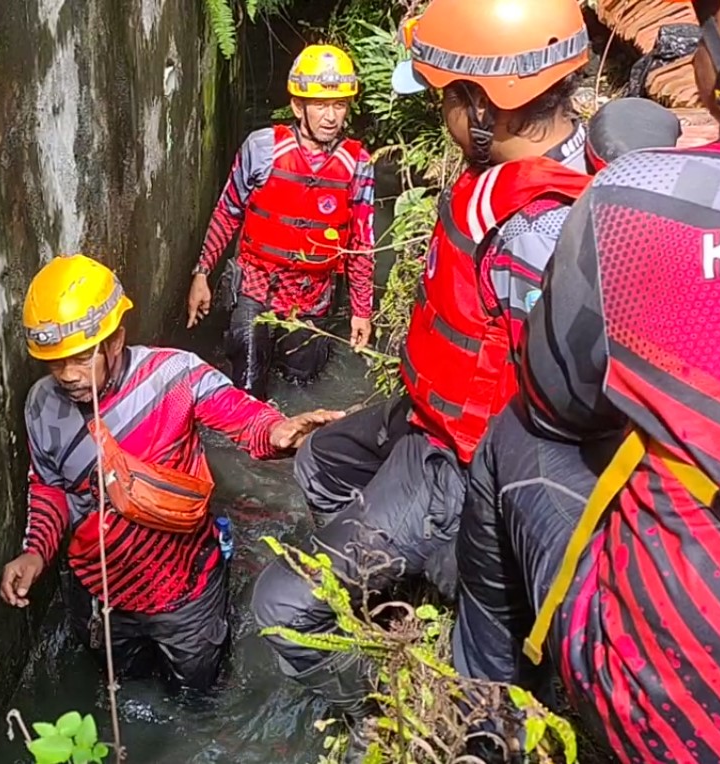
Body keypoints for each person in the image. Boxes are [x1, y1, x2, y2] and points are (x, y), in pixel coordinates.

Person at [453, 0, 720, 759]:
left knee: (513, 436)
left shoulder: (645, 201)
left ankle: (484, 723)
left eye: (710, 18)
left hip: (712, 719)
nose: (694, 45)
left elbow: (554, 402)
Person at [249, 0, 595, 756]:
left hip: (460, 463)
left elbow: (562, 405)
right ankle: (397, 580)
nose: (440, 110)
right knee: (319, 458)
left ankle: (371, 691)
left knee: (276, 604)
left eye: (444, 95)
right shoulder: (518, 173)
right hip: (425, 415)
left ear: (481, 104)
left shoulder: (536, 233)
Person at [0, 254, 341, 691]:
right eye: (55, 362)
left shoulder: (175, 377)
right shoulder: (41, 406)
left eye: (81, 358)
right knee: (123, 686)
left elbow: (243, 418)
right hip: (101, 598)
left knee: (198, 695)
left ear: (116, 340)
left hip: (184, 594)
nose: (67, 375)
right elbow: (50, 487)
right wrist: (35, 551)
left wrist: (279, 431)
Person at [185, 44, 375, 401]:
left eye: (339, 105)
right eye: (320, 105)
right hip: (257, 284)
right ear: (298, 106)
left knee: (303, 383)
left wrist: (362, 312)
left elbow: (361, 243)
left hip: (311, 295)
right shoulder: (262, 149)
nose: (331, 116)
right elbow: (228, 211)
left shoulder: (358, 165)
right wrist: (201, 274)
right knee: (247, 387)